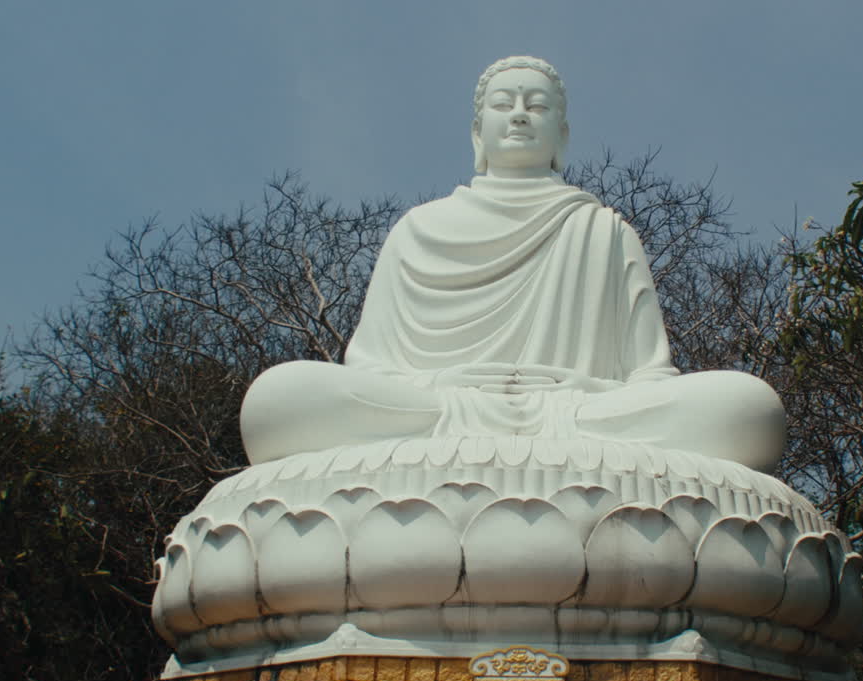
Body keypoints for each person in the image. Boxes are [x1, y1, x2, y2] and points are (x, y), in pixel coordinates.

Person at [240, 56, 786, 472]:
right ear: (478, 132)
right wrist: (442, 385)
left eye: (538, 105)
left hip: (579, 415)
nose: (521, 115)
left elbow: (648, 376)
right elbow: (371, 367)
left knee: (747, 409)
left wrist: (587, 392)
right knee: (279, 401)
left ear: (561, 136)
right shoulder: (419, 229)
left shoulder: (603, 230)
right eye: (504, 104)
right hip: (435, 410)